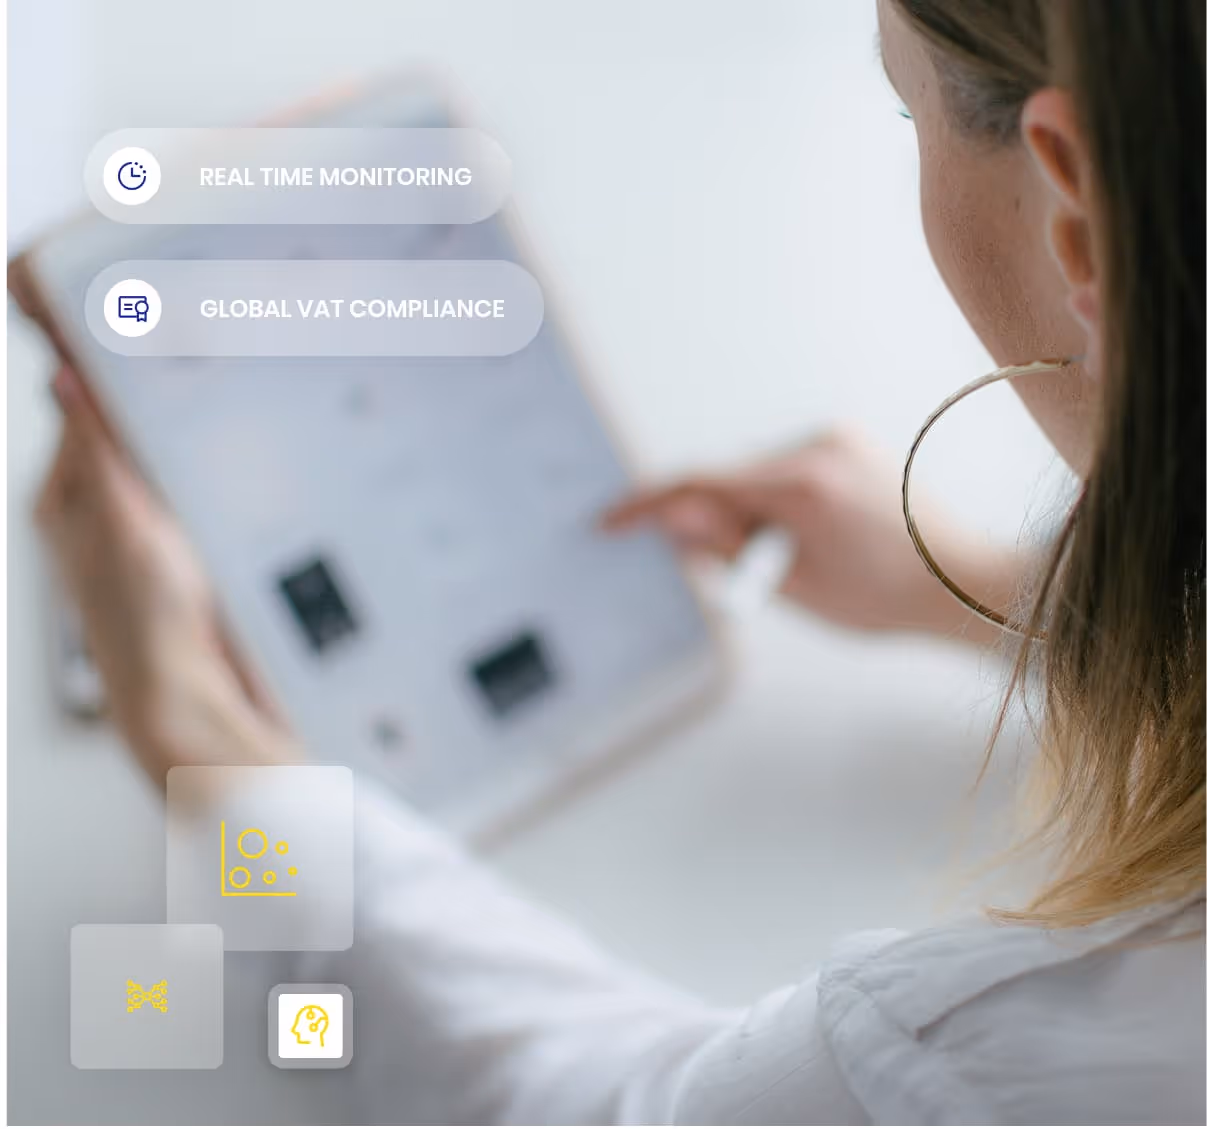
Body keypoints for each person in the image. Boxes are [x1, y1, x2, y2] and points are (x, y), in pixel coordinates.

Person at [36, 0, 1204, 1122]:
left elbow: (583, 1103)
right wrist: (998, 593)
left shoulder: (1004, 1062)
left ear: (1075, 213)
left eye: (911, 113)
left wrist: (196, 734)